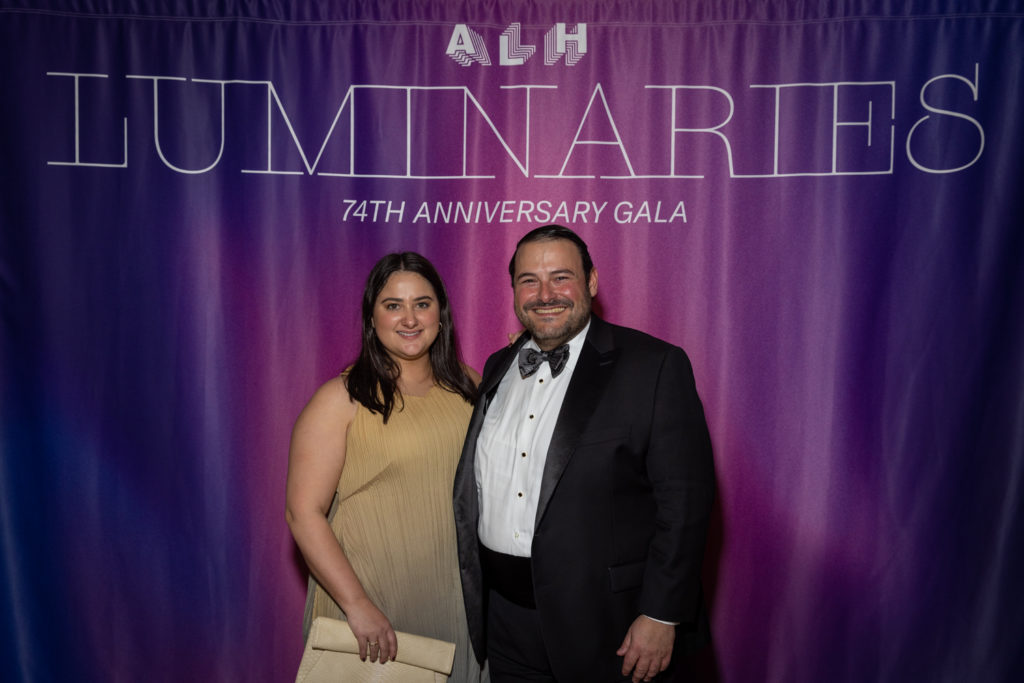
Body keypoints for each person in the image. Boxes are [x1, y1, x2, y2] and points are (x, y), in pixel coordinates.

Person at [453, 225, 715, 682]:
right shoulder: (498, 366)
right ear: (514, 291)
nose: (545, 294)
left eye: (561, 277)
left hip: (609, 628)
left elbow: (685, 502)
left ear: (591, 282)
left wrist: (661, 613)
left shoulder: (653, 366)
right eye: (529, 280)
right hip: (505, 623)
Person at [287, 252, 485, 681]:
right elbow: (303, 514)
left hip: (456, 601)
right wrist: (356, 605)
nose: (409, 318)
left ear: (442, 313)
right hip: (371, 608)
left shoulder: (471, 386)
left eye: (422, 303)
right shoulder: (340, 399)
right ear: (371, 316)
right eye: (392, 305)